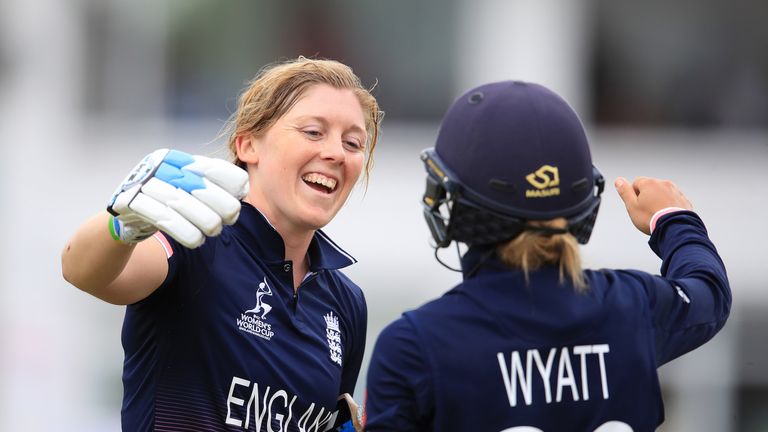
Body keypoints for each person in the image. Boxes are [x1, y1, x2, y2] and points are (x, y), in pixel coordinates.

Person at [363, 81, 730, 431]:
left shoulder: (415, 346)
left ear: (458, 203)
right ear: (582, 203)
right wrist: (673, 219)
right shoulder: (631, 306)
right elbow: (709, 292)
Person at [61, 57, 383, 432]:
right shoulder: (197, 238)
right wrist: (123, 225)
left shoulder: (345, 302)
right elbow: (81, 271)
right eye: (313, 132)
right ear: (247, 145)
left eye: (353, 142)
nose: (336, 153)